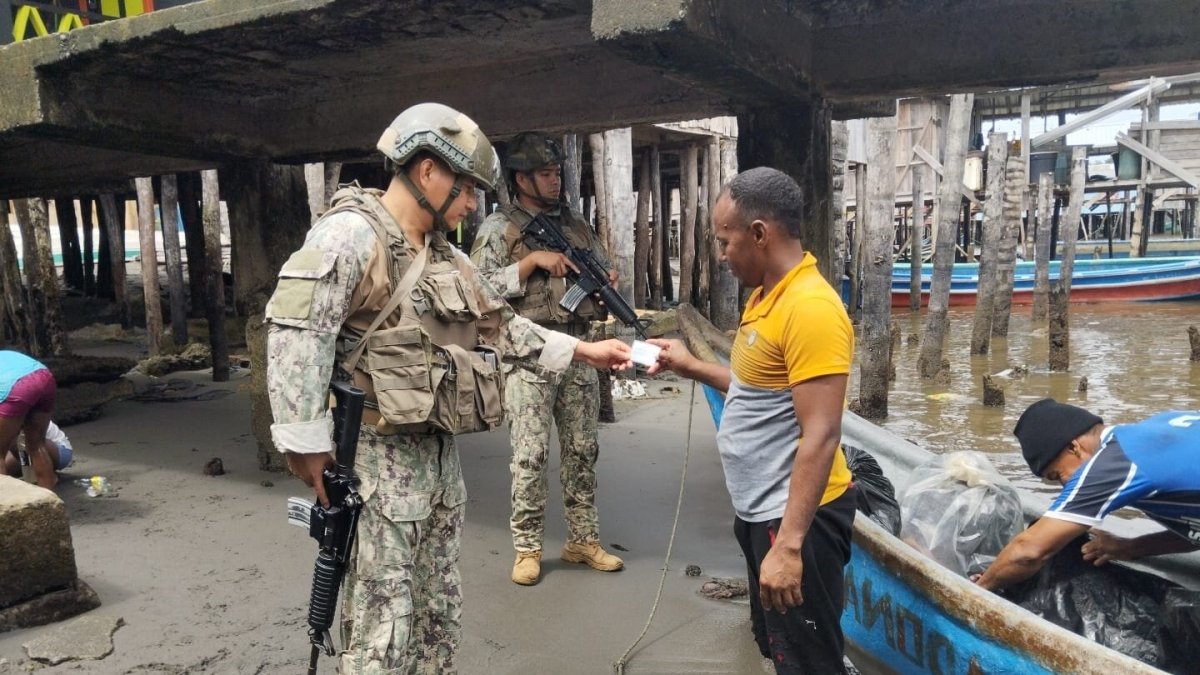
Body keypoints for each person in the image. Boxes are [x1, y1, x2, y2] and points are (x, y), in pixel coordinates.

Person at [264, 103, 631, 674]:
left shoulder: (444, 254)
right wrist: (306, 447)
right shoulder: (351, 235)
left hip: (437, 470)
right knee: (382, 630)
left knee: (438, 618)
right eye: (467, 190)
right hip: (376, 471)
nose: (472, 205)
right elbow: (296, 335)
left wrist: (586, 351)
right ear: (429, 171)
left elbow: (500, 325)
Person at [646, 167, 857, 674]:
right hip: (760, 512)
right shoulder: (766, 297)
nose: (721, 255)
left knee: (809, 662)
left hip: (796, 520)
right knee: (778, 646)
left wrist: (789, 546)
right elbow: (755, 391)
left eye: (725, 241)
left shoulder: (811, 309)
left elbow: (822, 433)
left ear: (760, 233)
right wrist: (689, 366)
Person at [469, 132, 623, 586]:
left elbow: (603, 263)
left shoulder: (574, 224)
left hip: (580, 349)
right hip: (529, 355)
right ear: (521, 179)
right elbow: (476, 291)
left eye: (557, 173)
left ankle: (583, 539)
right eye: (544, 174)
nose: (555, 181)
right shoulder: (499, 228)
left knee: (582, 449)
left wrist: (606, 278)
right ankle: (527, 548)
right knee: (530, 456)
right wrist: (531, 261)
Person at [974, 399, 1200, 592]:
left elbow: (1029, 552)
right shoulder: (1161, 425)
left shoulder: (1114, 463)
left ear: (1074, 447)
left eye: (1057, 475)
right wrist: (1130, 548)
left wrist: (982, 588)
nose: (1065, 486)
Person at [0, 350, 58, 489]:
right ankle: (49, 496)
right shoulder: (5, 355)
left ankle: (5, 500)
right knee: (36, 444)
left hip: (15, 386)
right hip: (44, 377)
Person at [3, 419, 72, 481]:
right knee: (7, 468)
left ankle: (47, 476)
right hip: (24, 450)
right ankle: (37, 471)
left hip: (59, 448)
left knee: (21, 442)